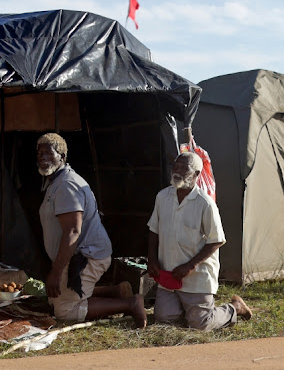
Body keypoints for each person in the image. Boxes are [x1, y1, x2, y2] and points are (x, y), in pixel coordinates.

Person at [36, 133, 147, 328]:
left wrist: (56, 271)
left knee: (65, 311)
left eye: (48, 153)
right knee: (53, 299)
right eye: (39, 153)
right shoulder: (55, 182)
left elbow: (72, 232)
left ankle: (130, 303)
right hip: (77, 255)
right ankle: (117, 291)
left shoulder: (67, 185)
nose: (43, 157)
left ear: (62, 156)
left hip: (87, 256)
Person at [147, 151, 252, 330]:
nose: (177, 171)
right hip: (169, 274)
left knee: (200, 325)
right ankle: (187, 310)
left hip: (196, 277)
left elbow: (216, 240)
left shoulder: (205, 203)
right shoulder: (163, 197)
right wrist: (152, 259)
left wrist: (190, 266)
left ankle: (235, 308)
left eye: (183, 168)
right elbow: (153, 230)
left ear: (196, 174)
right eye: (175, 166)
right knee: (163, 319)